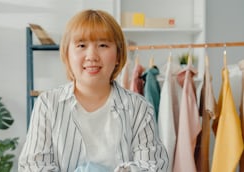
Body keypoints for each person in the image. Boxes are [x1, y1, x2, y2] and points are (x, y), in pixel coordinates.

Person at [18, 9, 168, 172]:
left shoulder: (140, 108)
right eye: (81, 45)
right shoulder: (47, 104)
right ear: (67, 54)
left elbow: (153, 166)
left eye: (103, 45)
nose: (92, 56)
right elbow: (32, 166)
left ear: (118, 55)